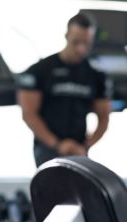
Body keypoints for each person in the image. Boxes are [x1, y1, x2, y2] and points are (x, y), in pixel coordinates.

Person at [17, 12, 111, 167]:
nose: (81, 49)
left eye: (86, 43)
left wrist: (88, 144)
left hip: (79, 149)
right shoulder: (40, 70)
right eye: (76, 42)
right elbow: (29, 114)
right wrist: (57, 144)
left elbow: (104, 116)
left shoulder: (96, 75)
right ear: (67, 35)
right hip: (47, 147)